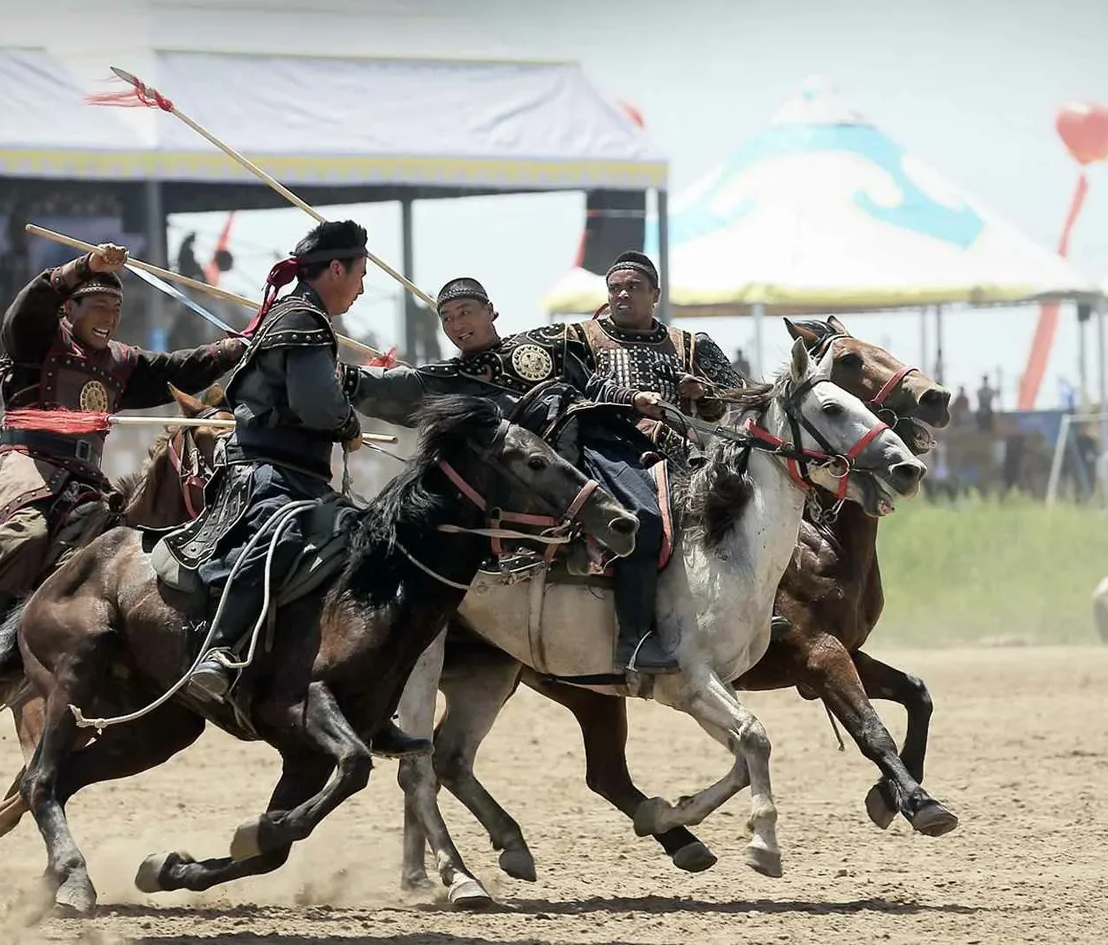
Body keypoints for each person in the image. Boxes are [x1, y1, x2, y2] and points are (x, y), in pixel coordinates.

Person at [347, 276, 678, 674]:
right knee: (638, 522)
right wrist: (331, 370)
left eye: (466, 312)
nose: (457, 323)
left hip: (598, 446)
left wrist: (633, 398)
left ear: (491, 311)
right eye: (447, 317)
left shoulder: (543, 344)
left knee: (654, 513)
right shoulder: (446, 379)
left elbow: (589, 383)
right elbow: (384, 385)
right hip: (536, 479)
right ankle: (635, 640)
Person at [178, 221, 423, 756]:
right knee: (280, 539)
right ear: (336, 269)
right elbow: (317, 405)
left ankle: (368, 699)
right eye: (359, 274)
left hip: (300, 473)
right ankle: (216, 654)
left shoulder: (305, 319)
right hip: (266, 473)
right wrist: (348, 426)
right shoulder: (303, 319)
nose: (361, 287)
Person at [0, 243, 245, 647]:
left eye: (116, 309)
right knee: (26, 537)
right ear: (69, 308)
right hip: (27, 465)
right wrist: (84, 266)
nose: (110, 318)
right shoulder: (37, 340)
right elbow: (27, 307)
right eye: (99, 306)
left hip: (84, 478)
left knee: (121, 540)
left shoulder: (121, 362)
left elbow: (179, 369)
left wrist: (232, 349)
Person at [566, 251, 744, 466]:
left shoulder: (690, 344)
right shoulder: (577, 338)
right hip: (603, 458)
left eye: (633, 287)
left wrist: (702, 394)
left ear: (656, 295)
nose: (622, 294)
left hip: (681, 460)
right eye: (614, 288)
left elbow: (736, 408)